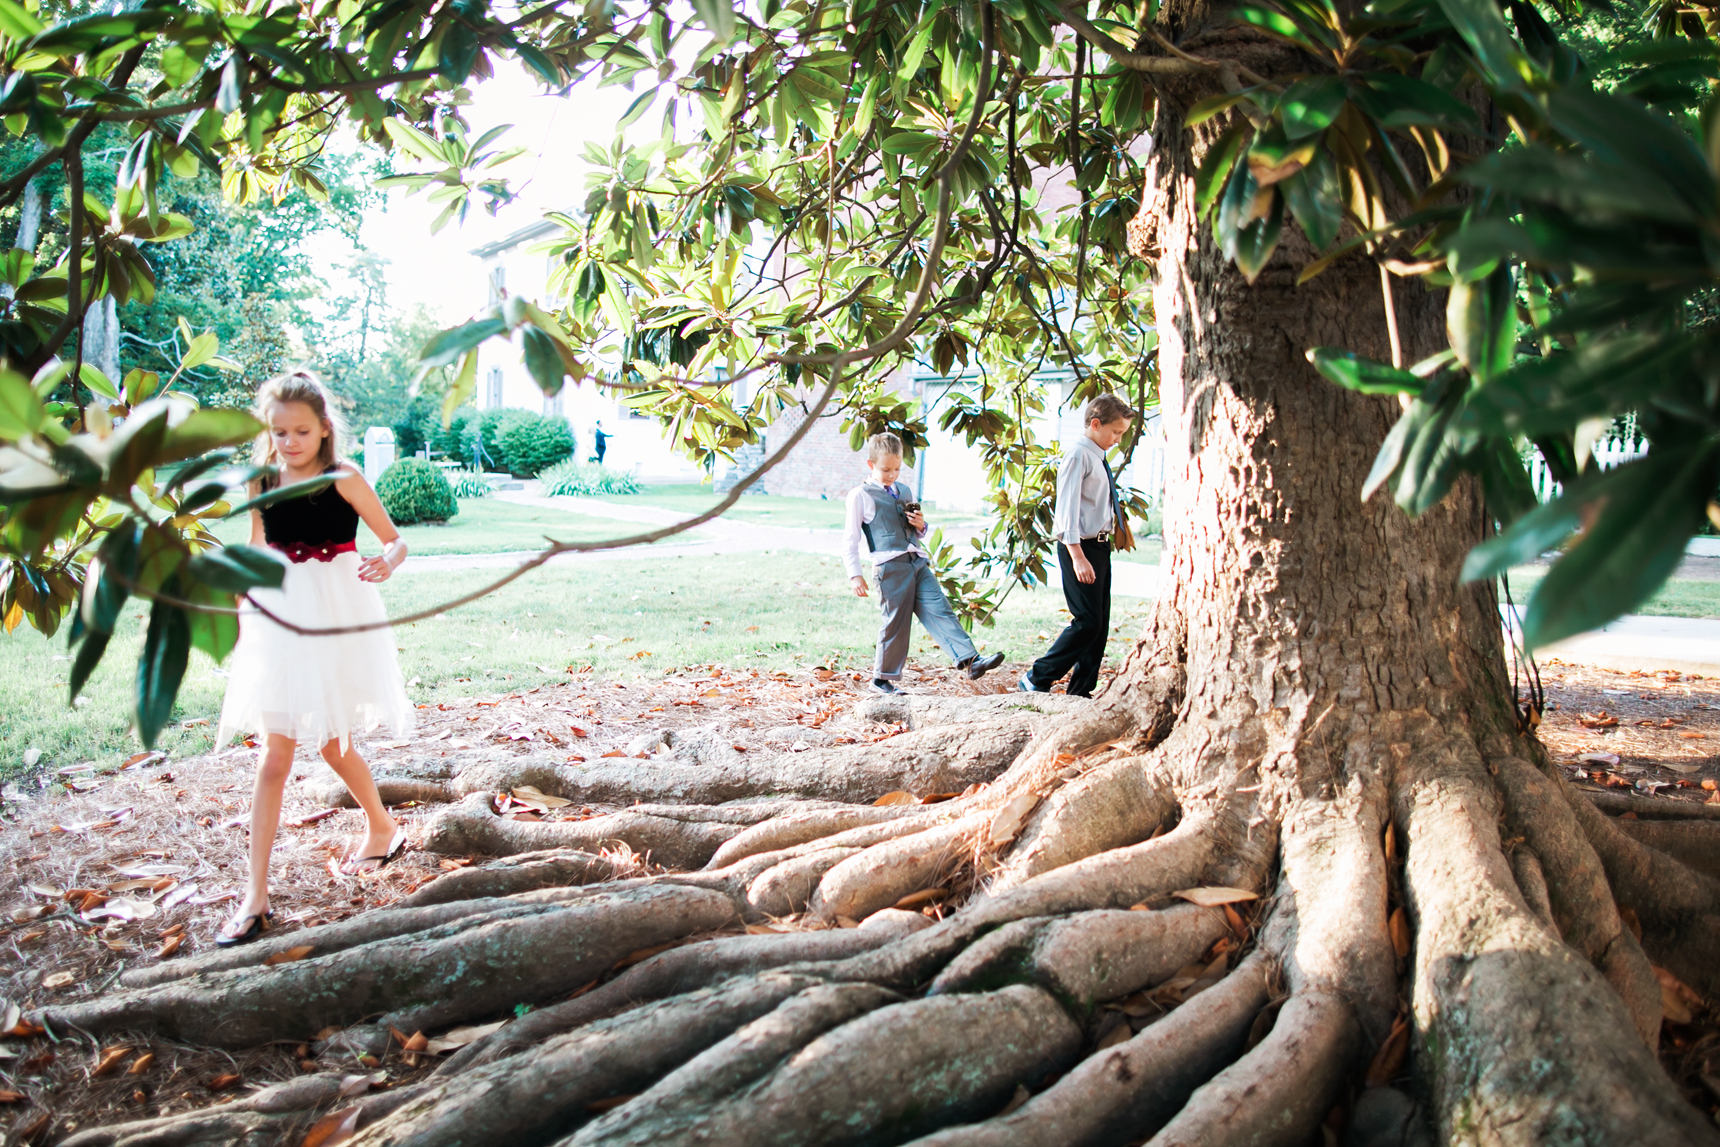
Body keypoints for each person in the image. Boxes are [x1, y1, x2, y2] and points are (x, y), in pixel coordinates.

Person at [213, 370, 415, 946]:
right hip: (279, 617)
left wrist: (389, 561)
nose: (290, 442)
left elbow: (395, 539)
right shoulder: (262, 482)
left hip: (337, 613)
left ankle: (382, 826)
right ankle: (255, 899)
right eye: (279, 433)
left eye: (301, 431)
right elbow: (256, 544)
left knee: (333, 742)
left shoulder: (344, 478)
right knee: (274, 755)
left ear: (324, 429)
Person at [843, 432, 1005, 694]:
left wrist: (921, 526)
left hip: (917, 562)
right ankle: (881, 680)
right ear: (871, 465)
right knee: (895, 622)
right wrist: (855, 575)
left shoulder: (904, 490)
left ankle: (971, 661)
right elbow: (849, 539)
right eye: (886, 470)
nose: (893, 475)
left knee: (940, 609)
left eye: (897, 469)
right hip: (890, 567)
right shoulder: (860, 495)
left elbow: (914, 529)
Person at [1020, 394, 1138, 698]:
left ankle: (1081, 690)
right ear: (1095, 424)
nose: (1118, 440)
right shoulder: (1078, 455)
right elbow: (1067, 511)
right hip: (1079, 548)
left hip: (1099, 547)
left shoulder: (1097, 455)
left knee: (1099, 626)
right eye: (1116, 432)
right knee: (1087, 621)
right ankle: (1037, 676)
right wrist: (1077, 556)